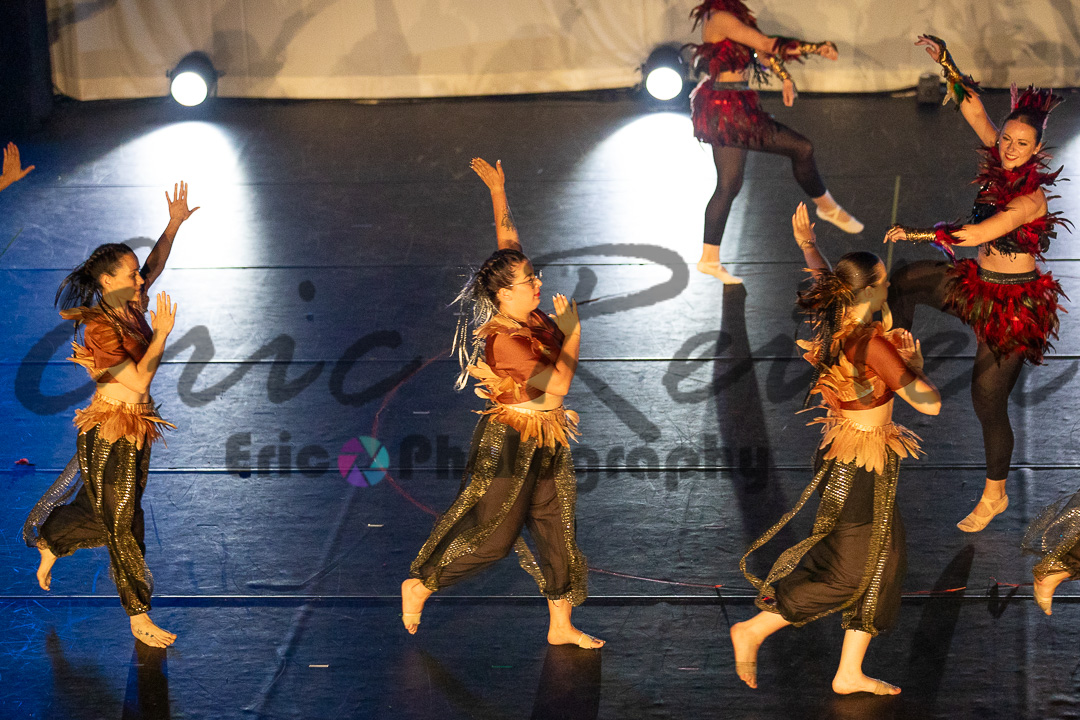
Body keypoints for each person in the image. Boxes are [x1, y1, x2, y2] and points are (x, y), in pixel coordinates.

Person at [730, 203, 941, 694]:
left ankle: (849, 672)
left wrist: (809, 245)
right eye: (883, 281)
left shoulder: (839, 315)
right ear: (868, 292)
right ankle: (754, 629)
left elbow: (826, 281)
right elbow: (929, 405)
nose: (889, 285)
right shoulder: (870, 342)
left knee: (886, 558)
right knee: (848, 574)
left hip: (861, 455)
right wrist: (913, 363)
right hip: (857, 466)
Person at [400, 158, 602, 649]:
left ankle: (560, 625)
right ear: (505, 294)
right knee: (493, 538)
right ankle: (421, 584)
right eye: (530, 281)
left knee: (558, 528)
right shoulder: (504, 340)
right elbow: (557, 388)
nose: (538, 284)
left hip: (548, 436)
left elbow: (509, 245)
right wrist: (573, 332)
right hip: (511, 441)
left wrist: (498, 191)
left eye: (535, 276)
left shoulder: (525, 312)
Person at [885, 35, 1068, 532]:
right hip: (977, 284)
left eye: (1021, 144)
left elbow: (977, 234)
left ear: (1037, 150)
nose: (1008, 148)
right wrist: (947, 61)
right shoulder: (1000, 154)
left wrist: (917, 232)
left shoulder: (1030, 200)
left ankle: (996, 495)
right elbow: (973, 111)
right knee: (905, 281)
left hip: (1013, 307)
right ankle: (898, 362)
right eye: (1006, 139)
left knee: (987, 401)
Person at [23, 182, 198, 648]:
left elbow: (154, 264)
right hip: (109, 433)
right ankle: (138, 615)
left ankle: (52, 539)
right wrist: (162, 335)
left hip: (137, 427)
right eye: (131, 275)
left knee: (105, 511)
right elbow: (137, 382)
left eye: (138, 275)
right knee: (122, 522)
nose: (141, 281)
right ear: (107, 281)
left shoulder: (130, 302)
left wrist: (173, 224)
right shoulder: (99, 328)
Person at [688, 0, 863, 285]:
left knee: (729, 184)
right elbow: (767, 44)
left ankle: (709, 259)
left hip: (730, 104)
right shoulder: (720, 17)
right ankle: (828, 208)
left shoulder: (733, 16)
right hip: (729, 109)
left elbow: (762, 54)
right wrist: (816, 47)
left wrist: (785, 77)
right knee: (801, 148)